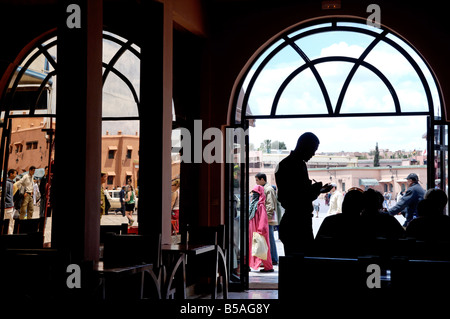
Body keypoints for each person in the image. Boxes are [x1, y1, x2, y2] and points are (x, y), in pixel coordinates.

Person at [275, 132, 332, 255]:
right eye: (313, 149)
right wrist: (316, 189)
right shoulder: (295, 165)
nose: (313, 154)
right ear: (304, 146)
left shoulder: (287, 164)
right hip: (297, 225)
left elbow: (295, 193)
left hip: (295, 222)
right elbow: (297, 197)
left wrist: (316, 190)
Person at [255, 173, 278, 266]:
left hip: (267, 217)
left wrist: (267, 217)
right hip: (264, 217)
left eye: (257, 180)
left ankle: (273, 258)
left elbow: (270, 204)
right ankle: (270, 258)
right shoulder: (264, 188)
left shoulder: (268, 189)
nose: (256, 182)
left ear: (262, 180)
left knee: (270, 238)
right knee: (267, 238)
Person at [249, 185, 273, 272]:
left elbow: (263, 219)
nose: (253, 195)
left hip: (259, 230)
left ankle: (268, 267)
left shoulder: (260, 205)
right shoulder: (254, 205)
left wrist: (260, 230)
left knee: (263, 248)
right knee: (254, 248)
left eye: (255, 193)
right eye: (253, 193)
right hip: (254, 230)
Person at [4, 169, 17, 234]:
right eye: (15, 173)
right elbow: (5, 194)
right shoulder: (7, 183)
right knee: (9, 223)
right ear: (11, 174)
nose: (16, 175)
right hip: (7, 206)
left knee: (10, 222)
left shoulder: (10, 182)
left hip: (10, 205)